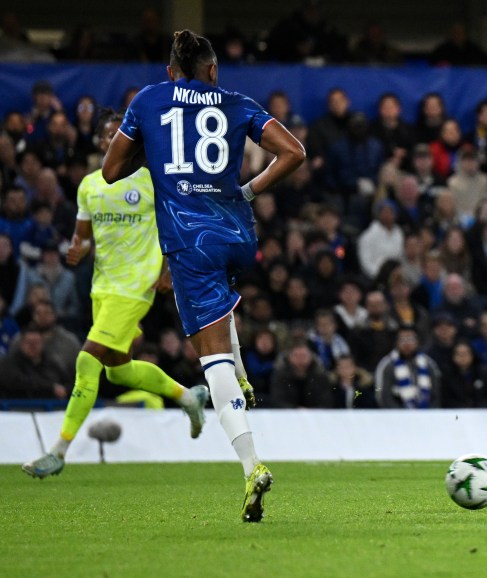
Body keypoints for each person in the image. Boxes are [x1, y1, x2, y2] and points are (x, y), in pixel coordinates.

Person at [100, 30, 306, 522]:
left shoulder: (148, 99)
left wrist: (155, 153)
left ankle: (252, 466)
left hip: (188, 242)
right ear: (212, 70)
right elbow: (294, 152)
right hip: (238, 232)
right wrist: (250, 191)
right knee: (221, 297)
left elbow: (110, 172)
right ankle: (240, 372)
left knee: (207, 356)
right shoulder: (237, 102)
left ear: (172, 71)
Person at [22, 111, 209, 480]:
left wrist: (169, 269)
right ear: (98, 142)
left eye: (118, 136)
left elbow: (177, 223)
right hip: (102, 287)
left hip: (136, 286)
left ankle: (58, 451)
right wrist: (77, 249)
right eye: (107, 136)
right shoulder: (90, 185)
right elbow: (82, 237)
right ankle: (190, 397)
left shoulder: (151, 179)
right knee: (119, 372)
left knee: (86, 361)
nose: (112, 142)